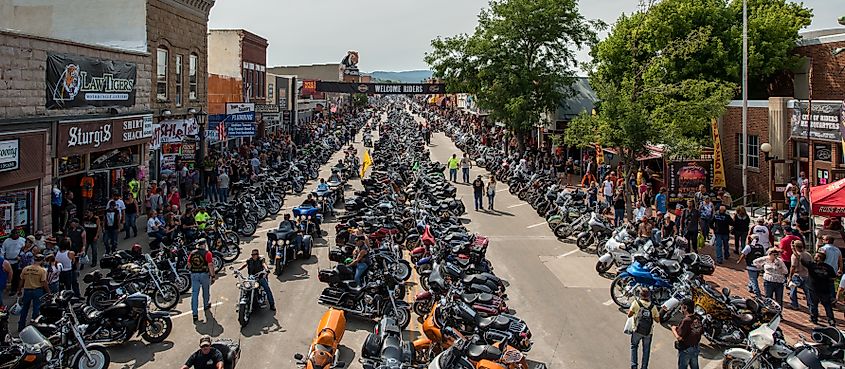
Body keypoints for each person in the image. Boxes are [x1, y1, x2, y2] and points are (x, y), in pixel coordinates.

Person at [628, 288, 660, 369]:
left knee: (634, 346)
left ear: (640, 295)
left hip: (636, 330)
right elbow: (657, 320)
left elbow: (629, 315)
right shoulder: (653, 307)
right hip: (648, 332)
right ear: (649, 296)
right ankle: (644, 367)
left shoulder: (636, 303)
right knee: (646, 350)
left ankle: (634, 366)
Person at [16, 253, 48, 332]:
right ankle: (34, 327)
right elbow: (44, 282)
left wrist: (19, 290)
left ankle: (21, 326)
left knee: (24, 309)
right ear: (41, 261)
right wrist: (48, 292)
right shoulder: (41, 270)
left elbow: (21, 280)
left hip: (27, 290)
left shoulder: (26, 269)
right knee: (36, 308)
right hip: (37, 290)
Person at [188, 238, 215, 321]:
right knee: (205, 291)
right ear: (204, 245)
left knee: (195, 294)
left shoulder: (192, 253)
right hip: (204, 274)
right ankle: (206, 305)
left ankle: (195, 314)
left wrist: (193, 270)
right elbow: (210, 265)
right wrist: (213, 275)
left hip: (194, 275)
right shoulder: (207, 253)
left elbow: (189, 264)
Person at [808, 250, 837, 326]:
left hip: (814, 289)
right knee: (827, 305)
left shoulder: (812, 266)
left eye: (816, 256)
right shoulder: (829, 267)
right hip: (824, 289)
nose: (814, 256)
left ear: (819, 258)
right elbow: (833, 278)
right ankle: (831, 320)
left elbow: (800, 259)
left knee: (814, 304)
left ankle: (814, 318)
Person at [672, 298, 703, 369]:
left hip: (686, 349)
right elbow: (700, 332)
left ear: (685, 308)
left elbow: (679, 337)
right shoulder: (697, 319)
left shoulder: (686, 321)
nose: (681, 308)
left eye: (682, 307)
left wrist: (673, 329)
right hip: (695, 347)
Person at [789, 239, 813, 310]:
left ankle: (794, 304)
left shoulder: (794, 255)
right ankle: (811, 307)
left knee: (793, 289)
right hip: (806, 275)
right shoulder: (808, 254)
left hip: (797, 275)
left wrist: (790, 276)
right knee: (808, 292)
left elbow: (793, 266)